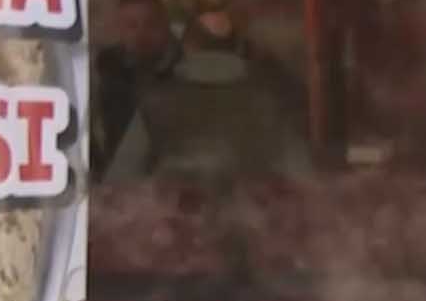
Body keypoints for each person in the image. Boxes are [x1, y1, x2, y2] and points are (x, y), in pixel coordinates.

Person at [105, 12, 310, 183]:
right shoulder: (269, 104)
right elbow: (302, 178)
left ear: (187, 46)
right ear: (237, 47)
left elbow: (119, 181)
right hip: (251, 222)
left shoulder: (154, 104)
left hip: (175, 224)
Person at [91, 0, 179, 174]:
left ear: (166, 27)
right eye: (131, 25)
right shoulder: (106, 70)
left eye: (151, 25)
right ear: (120, 31)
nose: (141, 33)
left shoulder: (183, 71)